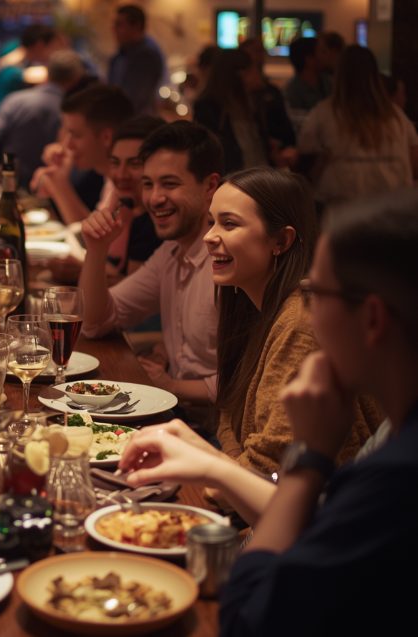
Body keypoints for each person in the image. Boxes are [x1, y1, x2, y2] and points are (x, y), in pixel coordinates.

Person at [121, 188, 418, 635]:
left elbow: (250, 615)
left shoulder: (399, 478)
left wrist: (309, 458)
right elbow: (318, 525)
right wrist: (213, 465)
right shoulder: (397, 435)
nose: (309, 311)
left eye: (317, 293)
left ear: (373, 319)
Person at [206, 167, 377, 477]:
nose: (208, 236)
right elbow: (228, 412)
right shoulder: (249, 303)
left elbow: (275, 458)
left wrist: (217, 483)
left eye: (228, 224)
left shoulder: (300, 321)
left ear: (281, 241)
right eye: (211, 222)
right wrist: (229, 469)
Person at [80, 121, 222, 404]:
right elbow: (95, 323)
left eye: (169, 184)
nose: (154, 198)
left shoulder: (226, 261)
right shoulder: (170, 254)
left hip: (217, 433)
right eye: (148, 184)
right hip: (179, 414)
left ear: (210, 187)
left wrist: (170, 385)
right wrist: (96, 250)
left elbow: (250, 378)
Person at [297, 45, 418, 207]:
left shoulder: (325, 113)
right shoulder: (396, 116)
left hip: (340, 205)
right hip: (389, 204)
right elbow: (413, 156)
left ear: (339, 75)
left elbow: (306, 153)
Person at [30, 84, 134, 225]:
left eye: (76, 135)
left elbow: (94, 242)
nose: (68, 145)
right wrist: (59, 181)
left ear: (106, 137)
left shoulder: (129, 185)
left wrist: (59, 184)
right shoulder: (109, 180)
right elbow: (91, 234)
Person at [0, 50, 85, 189]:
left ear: (47, 72)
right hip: (49, 188)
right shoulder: (72, 114)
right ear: (75, 79)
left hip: (8, 185)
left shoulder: (15, 100)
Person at [194, 49, 295, 174]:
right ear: (240, 74)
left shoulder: (257, 102)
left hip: (259, 177)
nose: (259, 74)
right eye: (254, 69)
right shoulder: (209, 107)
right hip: (233, 181)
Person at [106, 116, 165, 275]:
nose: (121, 174)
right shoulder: (125, 207)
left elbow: (132, 297)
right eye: (115, 162)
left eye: (134, 164)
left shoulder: (155, 222)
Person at [107, 4, 166, 118]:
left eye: (119, 24)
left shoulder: (146, 56)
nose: (113, 29)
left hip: (136, 123)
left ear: (136, 26)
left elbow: (134, 98)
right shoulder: (119, 55)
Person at [0, 23, 61, 114]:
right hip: (4, 120)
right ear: (40, 45)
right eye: (53, 48)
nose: (54, 53)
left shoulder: (20, 52)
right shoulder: (14, 58)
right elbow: (19, 75)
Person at [283, 37, 330, 121]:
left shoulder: (329, 83)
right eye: (322, 52)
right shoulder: (293, 92)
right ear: (309, 59)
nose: (327, 55)